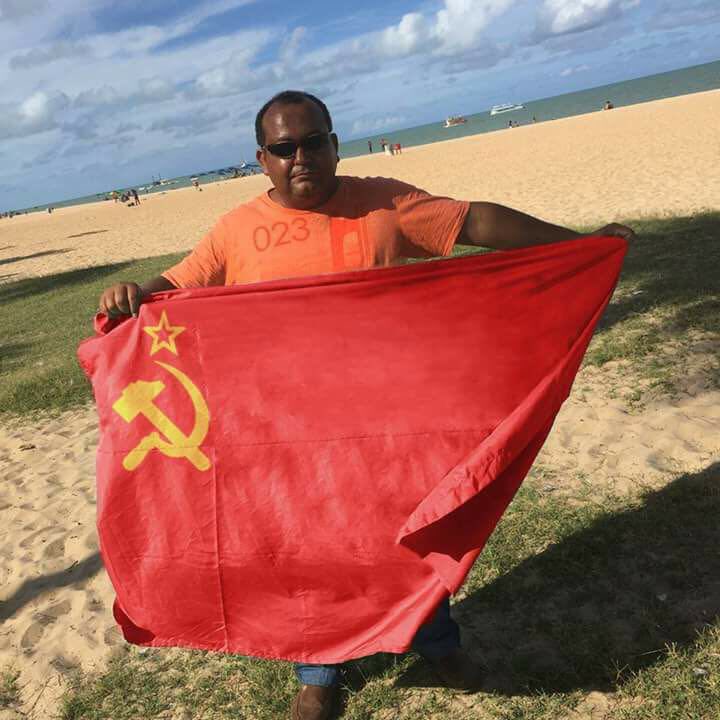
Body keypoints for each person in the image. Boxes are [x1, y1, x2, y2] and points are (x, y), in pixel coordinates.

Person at [99, 89, 634, 720]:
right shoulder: (235, 231)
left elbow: (474, 223)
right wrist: (132, 293)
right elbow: (174, 287)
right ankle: (319, 673)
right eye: (284, 147)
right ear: (262, 159)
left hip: (387, 424)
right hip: (287, 433)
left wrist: (579, 244)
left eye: (313, 142)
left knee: (403, 543)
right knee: (310, 552)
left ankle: (438, 644)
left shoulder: (384, 203)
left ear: (334, 144)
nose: (301, 157)